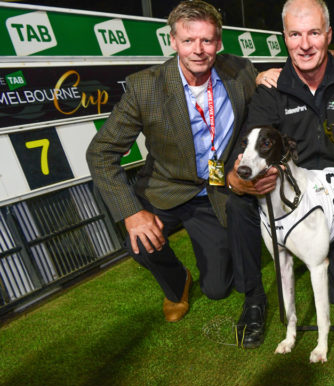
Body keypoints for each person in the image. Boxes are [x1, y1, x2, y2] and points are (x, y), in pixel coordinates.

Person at [86, 0, 271, 327]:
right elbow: (100, 152)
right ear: (173, 41)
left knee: (217, 289)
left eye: (207, 40)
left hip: (213, 190)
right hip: (164, 189)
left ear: (219, 42)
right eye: (188, 40)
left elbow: (282, 81)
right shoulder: (145, 87)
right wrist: (131, 212)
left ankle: (210, 266)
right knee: (141, 243)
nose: (198, 50)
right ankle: (176, 282)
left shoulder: (240, 71)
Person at [226, 0, 334, 344]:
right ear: (285, 38)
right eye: (295, 34)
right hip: (291, 193)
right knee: (237, 203)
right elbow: (247, 148)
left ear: (328, 35)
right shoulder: (271, 88)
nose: (305, 44)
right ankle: (255, 300)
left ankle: (326, 249)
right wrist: (239, 179)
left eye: (314, 33)